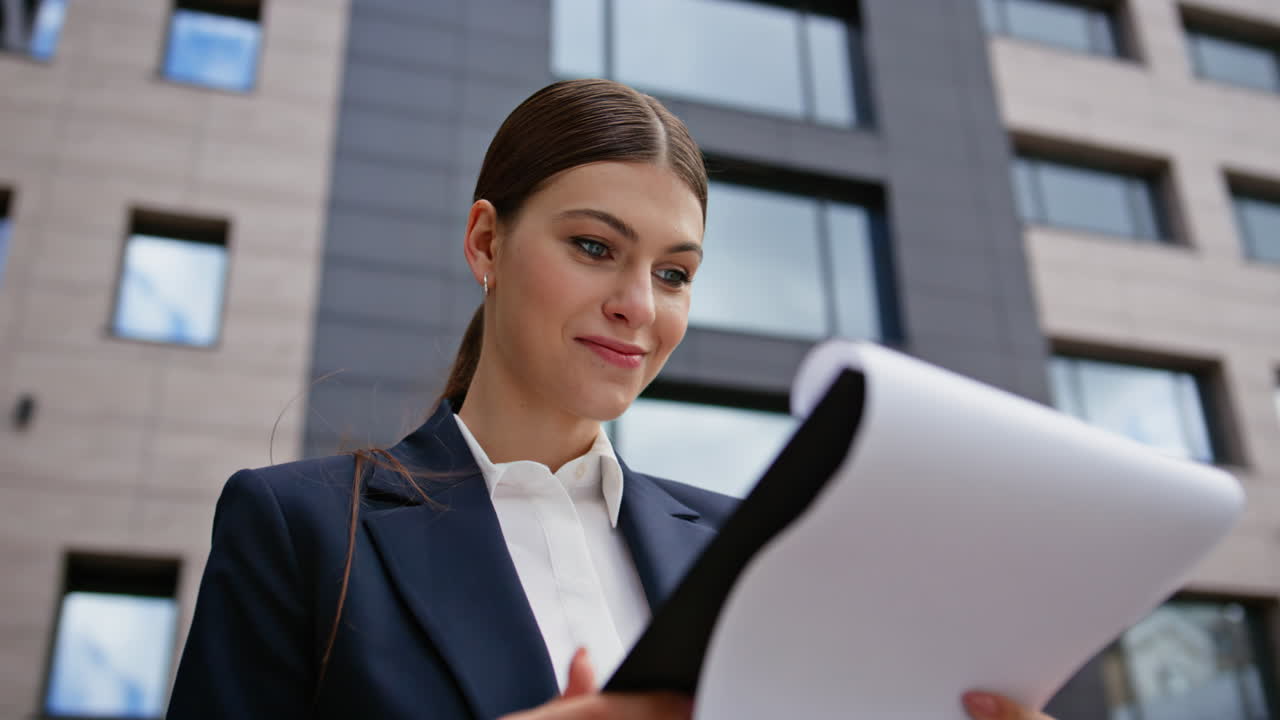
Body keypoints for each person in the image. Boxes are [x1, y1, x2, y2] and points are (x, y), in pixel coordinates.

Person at [166, 79, 1054, 720]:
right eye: (595, 247)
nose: (639, 303)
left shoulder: (751, 552)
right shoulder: (301, 530)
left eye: (674, 273)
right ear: (487, 242)